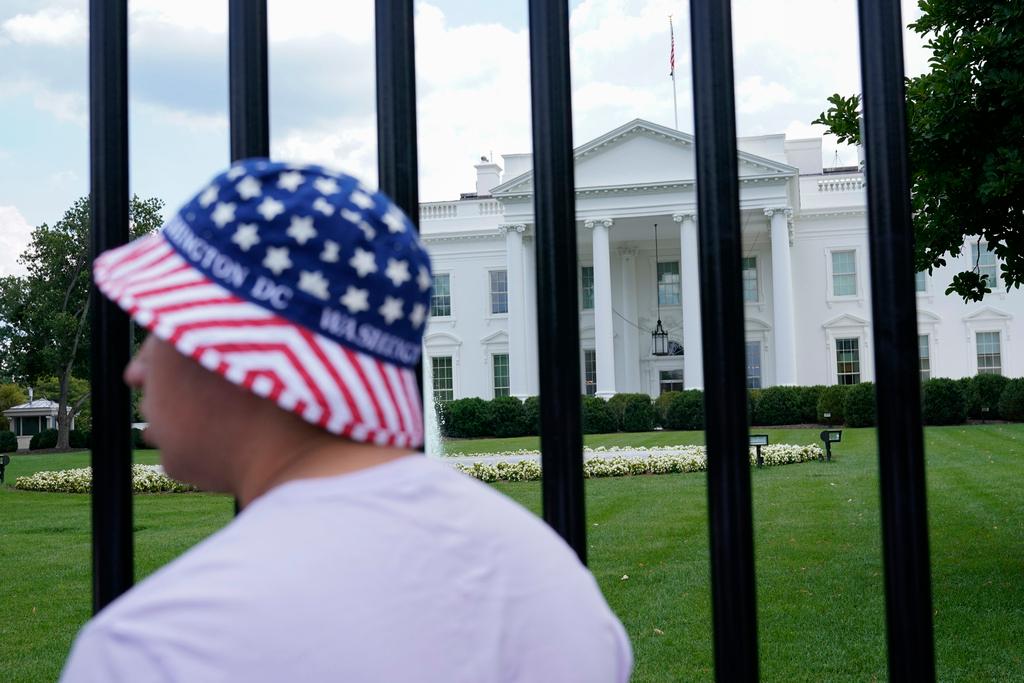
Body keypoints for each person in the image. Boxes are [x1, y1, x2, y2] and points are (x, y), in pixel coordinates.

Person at [61, 160, 633, 682]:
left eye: (160, 328)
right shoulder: (556, 585)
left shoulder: (154, 647)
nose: (136, 370)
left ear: (236, 349)